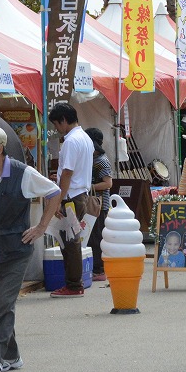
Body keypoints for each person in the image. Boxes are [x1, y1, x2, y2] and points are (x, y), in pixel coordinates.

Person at [0, 125, 61, 372]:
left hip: (17, 249)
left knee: (5, 303)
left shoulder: (24, 173)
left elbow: (54, 192)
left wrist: (41, 227)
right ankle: (12, 356)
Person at [47, 103, 94, 298]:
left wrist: (57, 200)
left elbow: (67, 173)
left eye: (57, 124)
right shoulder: (85, 138)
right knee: (71, 240)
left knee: (71, 242)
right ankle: (74, 283)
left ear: (64, 120)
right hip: (80, 194)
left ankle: (74, 285)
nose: (56, 128)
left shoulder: (71, 141)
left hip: (71, 197)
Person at [84, 127, 113, 281]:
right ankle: (96, 267)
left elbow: (108, 183)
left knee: (96, 237)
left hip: (100, 205)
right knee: (93, 236)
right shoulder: (92, 159)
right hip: (94, 203)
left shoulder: (101, 161)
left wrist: (88, 187)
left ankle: (99, 269)